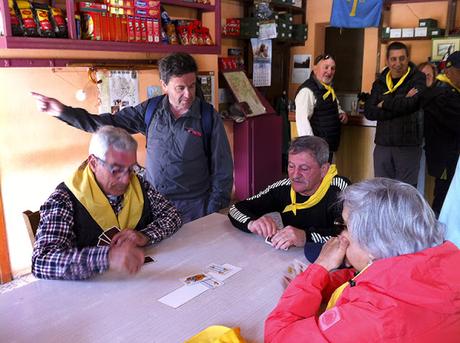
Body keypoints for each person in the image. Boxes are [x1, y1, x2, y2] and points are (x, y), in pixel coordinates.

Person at [31, 52, 233, 223]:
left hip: (195, 208)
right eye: (180, 88)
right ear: (164, 85)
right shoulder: (151, 110)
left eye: (192, 86)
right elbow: (106, 124)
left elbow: (222, 169)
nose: (188, 94)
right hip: (155, 206)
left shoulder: (207, 116)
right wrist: (63, 112)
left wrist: (213, 210)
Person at [265, 178, 460, 342]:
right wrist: (317, 284)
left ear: (373, 248)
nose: (341, 234)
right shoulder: (442, 261)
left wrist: (320, 268)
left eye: (346, 227)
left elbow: (278, 337)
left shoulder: (372, 317)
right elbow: (376, 278)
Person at [32, 126, 182, 280]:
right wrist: (107, 257)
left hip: (141, 280)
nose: (125, 180)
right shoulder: (64, 199)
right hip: (89, 293)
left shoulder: (139, 184)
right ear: (93, 163)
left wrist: (145, 235)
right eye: (116, 170)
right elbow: (42, 261)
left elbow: (172, 215)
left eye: (131, 169)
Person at [228, 136, 350, 260]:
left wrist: (306, 237)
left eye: (304, 168)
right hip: (291, 261)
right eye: (291, 166)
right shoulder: (283, 188)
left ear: (324, 170)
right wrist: (252, 223)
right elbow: (235, 209)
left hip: (331, 265)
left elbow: (352, 237)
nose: (295, 175)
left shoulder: (342, 191)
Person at [364, 42, 426, 187]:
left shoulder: (418, 78)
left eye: (402, 58)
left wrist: (384, 103)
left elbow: (412, 105)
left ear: (408, 58)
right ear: (387, 61)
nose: (398, 63)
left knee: (405, 194)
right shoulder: (380, 81)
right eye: (394, 59)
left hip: (407, 146)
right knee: (382, 192)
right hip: (383, 146)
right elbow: (369, 112)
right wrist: (401, 102)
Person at [422, 51, 460, 216]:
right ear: (450, 71)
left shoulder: (449, 91)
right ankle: (439, 237)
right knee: (444, 199)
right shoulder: (443, 94)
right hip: (446, 157)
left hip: (449, 155)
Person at [295, 54, 348, 162]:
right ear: (315, 69)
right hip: (316, 152)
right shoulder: (307, 91)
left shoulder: (327, 89)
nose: (330, 72)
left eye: (332, 68)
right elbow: (302, 123)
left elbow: (334, 107)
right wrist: (312, 150)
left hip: (328, 149)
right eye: (326, 67)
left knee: (328, 178)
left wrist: (341, 113)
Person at [415, 61, 437, 195]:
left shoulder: (439, 95)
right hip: (413, 144)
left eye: (429, 76)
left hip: (430, 146)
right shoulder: (411, 95)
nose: (426, 78)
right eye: (423, 75)